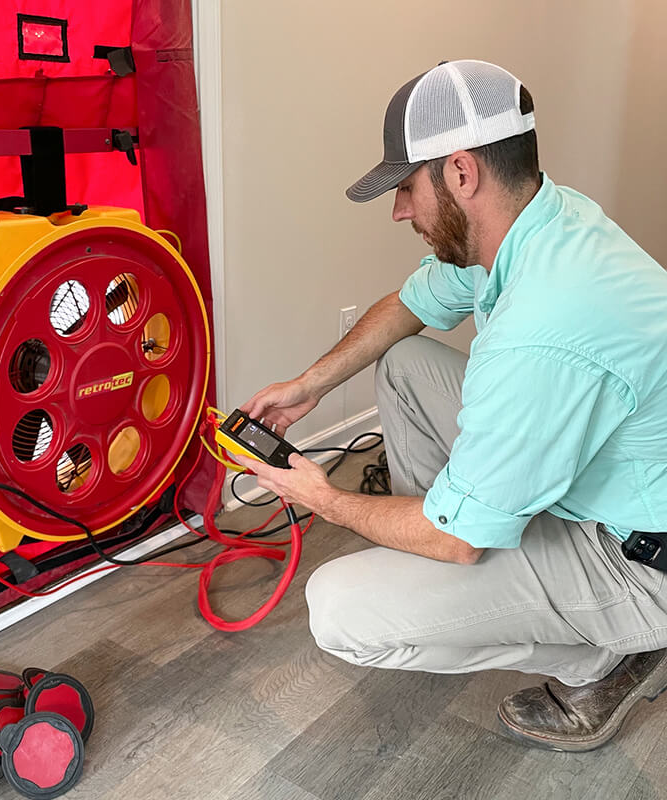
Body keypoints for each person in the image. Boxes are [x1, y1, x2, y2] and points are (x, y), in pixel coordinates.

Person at [235, 59, 667, 752]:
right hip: (610, 485)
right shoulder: (546, 217)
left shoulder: (543, 326)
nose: (401, 210)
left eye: (406, 187)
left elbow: (462, 543)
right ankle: (470, 553)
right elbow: (410, 305)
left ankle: (600, 662)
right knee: (404, 364)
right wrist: (309, 384)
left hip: (639, 564)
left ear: (462, 172)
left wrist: (323, 496)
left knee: (340, 609)